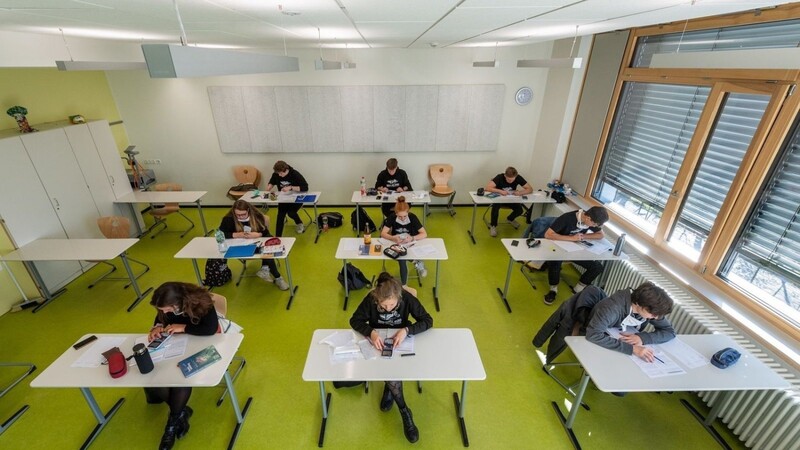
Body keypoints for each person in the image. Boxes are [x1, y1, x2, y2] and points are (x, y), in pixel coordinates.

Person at [349, 272, 433, 443]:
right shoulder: (370, 299)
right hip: (378, 343)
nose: (388, 309)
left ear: (399, 297)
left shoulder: (407, 298)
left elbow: (428, 320)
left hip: (400, 343)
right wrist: (371, 332)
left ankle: (403, 409)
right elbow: (355, 320)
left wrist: (406, 330)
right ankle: (398, 399)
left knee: (392, 372)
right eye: (383, 306)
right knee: (387, 372)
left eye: (392, 305)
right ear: (377, 298)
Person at [144, 282, 221, 450]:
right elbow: (160, 318)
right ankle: (180, 414)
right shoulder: (166, 307)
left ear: (179, 302)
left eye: (166, 309)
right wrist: (156, 327)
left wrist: (184, 327)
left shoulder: (202, 301)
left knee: (180, 378)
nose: (163, 312)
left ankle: (171, 425)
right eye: (161, 309)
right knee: (154, 377)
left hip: (202, 341)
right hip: (177, 345)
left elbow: (210, 329)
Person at [585, 282, 676, 362]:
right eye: (653, 315)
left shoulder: (651, 309)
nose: (656, 318)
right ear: (639, 304)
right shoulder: (612, 308)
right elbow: (593, 334)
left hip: (614, 337)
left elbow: (669, 331)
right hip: (594, 338)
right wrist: (632, 349)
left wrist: (642, 338)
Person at [542, 206, 609, 305]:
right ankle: (553, 289)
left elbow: (601, 235)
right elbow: (548, 234)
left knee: (597, 267)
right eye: (594, 224)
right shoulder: (567, 218)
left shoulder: (592, 219)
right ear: (588, 218)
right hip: (558, 245)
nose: (594, 226)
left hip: (574, 249)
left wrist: (583, 236)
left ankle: (578, 288)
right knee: (555, 262)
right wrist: (571, 238)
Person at [218, 200, 289, 290]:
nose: (241, 217)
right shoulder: (229, 219)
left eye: (243, 214)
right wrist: (236, 235)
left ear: (248, 210)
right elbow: (221, 234)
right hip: (238, 247)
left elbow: (266, 233)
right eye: (238, 215)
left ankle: (277, 277)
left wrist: (258, 234)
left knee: (267, 251)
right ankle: (265, 268)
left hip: (255, 244)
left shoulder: (257, 216)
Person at [381, 196, 428, 287]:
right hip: (397, 244)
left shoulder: (412, 217)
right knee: (402, 259)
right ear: (396, 213)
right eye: (400, 216)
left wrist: (412, 238)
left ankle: (404, 283)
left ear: (408, 212)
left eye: (405, 216)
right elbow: (383, 233)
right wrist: (393, 238)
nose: (402, 219)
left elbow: (424, 234)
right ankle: (415, 265)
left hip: (410, 243)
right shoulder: (392, 217)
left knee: (403, 258)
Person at [485, 167, 533, 237]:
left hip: (510, 198)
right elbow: (488, 188)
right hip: (499, 198)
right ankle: (493, 226)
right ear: (505, 176)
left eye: (512, 180)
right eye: (508, 180)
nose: (510, 182)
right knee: (495, 207)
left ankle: (510, 219)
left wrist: (520, 193)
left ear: (516, 176)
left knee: (520, 210)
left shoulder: (518, 177)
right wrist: (500, 191)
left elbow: (530, 189)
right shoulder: (499, 177)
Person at [266, 160, 309, 236]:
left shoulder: (295, 174)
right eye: (278, 173)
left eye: (281, 173)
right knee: (280, 215)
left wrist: (291, 187)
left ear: (286, 170)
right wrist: (269, 187)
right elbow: (272, 182)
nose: (279, 175)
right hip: (283, 199)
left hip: (296, 198)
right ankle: (278, 237)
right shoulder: (276, 174)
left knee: (291, 213)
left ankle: (299, 223)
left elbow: (305, 187)